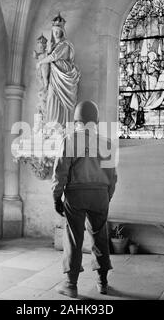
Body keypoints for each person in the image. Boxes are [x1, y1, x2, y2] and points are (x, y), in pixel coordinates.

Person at [51, 101, 118, 298]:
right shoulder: (107, 143)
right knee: (100, 236)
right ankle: (102, 282)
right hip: (101, 195)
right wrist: (107, 197)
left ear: (76, 120)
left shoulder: (70, 139)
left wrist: (57, 196)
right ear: (96, 120)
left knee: (73, 237)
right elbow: (113, 177)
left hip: (76, 194)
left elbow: (60, 171)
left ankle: (71, 285)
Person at [36, 13, 81, 127]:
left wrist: (41, 62)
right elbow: (49, 56)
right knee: (51, 96)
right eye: (54, 31)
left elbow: (53, 57)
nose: (56, 33)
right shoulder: (54, 46)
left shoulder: (65, 44)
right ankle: (52, 123)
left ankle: (62, 125)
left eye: (58, 31)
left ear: (62, 32)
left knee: (63, 102)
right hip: (54, 75)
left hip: (64, 75)